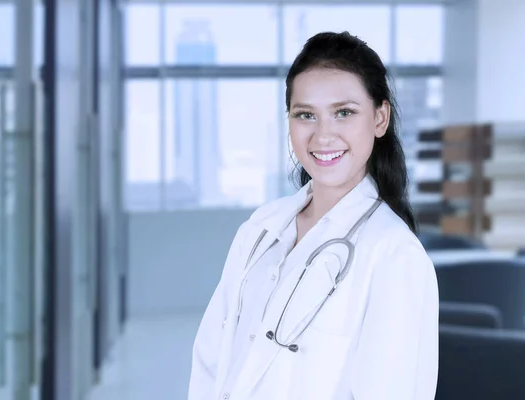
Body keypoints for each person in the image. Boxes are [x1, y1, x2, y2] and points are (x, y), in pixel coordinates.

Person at [188, 31, 439, 400]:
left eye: (344, 113)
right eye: (306, 115)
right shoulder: (260, 229)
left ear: (380, 118)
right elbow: (210, 361)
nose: (323, 136)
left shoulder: (394, 255)